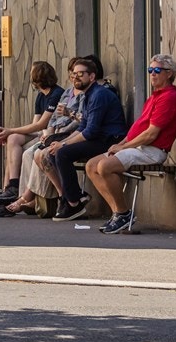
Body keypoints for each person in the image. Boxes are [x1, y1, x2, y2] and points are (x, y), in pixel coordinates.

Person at [85, 52, 176, 235]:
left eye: (157, 70)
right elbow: (136, 131)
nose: (152, 74)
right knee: (91, 166)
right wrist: (120, 144)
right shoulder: (154, 96)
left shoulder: (169, 97)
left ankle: (123, 213)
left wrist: (123, 148)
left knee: (105, 166)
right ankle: (118, 213)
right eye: (150, 70)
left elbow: (150, 135)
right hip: (138, 147)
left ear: (169, 73)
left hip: (152, 150)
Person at [39, 56, 127, 220]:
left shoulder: (99, 94)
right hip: (98, 138)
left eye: (81, 74)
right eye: (74, 74)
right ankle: (73, 197)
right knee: (55, 151)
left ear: (92, 76)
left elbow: (90, 131)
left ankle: (73, 202)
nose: (76, 77)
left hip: (110, 140)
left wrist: (63, 145)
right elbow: (82, 127)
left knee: (63, 153)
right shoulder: (89, 95)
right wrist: (61, 142)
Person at [0, 62, 66, 207]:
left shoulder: (56, 94)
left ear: (37, 77)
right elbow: (35, 125)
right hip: (41, 133)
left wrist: (10, 129)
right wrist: (9, 133)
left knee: (21, 146)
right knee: (13, 139)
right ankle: (11, 186)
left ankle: (19, 194)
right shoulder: (41, 96)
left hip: (51, 134)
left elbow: (41, 124)